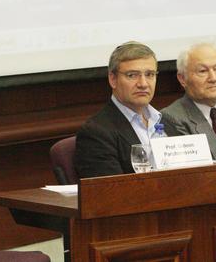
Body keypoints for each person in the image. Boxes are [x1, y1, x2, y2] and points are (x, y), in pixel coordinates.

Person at [74, 41, 178, 178]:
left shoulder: (167, 122)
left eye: (150, 74)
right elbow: (111, 189)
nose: (143, 84)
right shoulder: (96, 133)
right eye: (132, 75)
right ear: (113, 79)